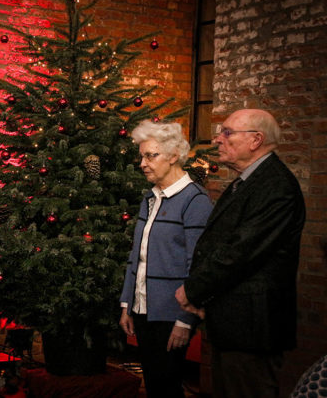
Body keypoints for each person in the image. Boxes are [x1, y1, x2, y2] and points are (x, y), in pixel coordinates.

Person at [175, 109, 306, 398]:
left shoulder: (276, 186)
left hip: (252, 327)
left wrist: (193, 290)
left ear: (256, 140)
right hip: (233, 322)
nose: (217, 139)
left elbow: (241, 252)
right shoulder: (246, 181)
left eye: (227, 132)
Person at [119, 120, 213, 398]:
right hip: (143, 309)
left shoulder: (195, 201)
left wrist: (185, 321)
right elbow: (137, 256)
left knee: (167, 387)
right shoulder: (150, 198)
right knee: (155, 385)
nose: (143, 163)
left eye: (151, 155)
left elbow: (197, 266)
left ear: (173, 156)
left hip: (172, 314)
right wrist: (127, 304)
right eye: (142, 156)